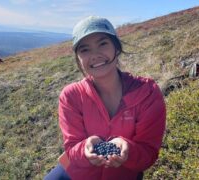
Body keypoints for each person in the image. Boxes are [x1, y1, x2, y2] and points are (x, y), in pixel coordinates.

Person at [44, 16, 166, 180]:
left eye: (103, 44)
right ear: (78, 58)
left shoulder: (147, 93)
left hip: (123, 174)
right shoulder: (71, 95)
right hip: (74, 169)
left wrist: (127, 150)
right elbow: (71, 148)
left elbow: (148, 154)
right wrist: (85, 149)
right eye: (84, 49)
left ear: (116, 47)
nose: (95, 55)